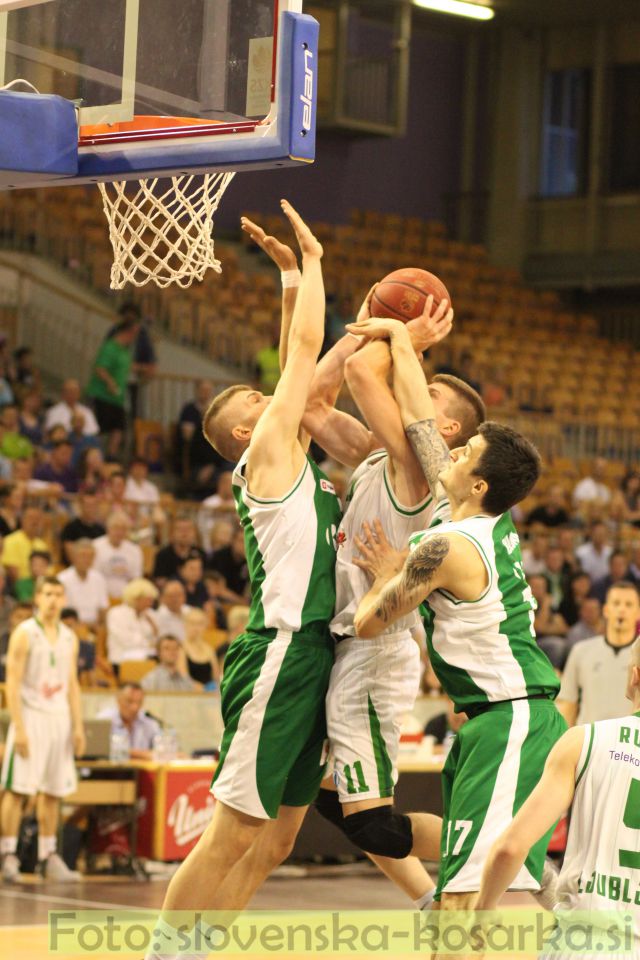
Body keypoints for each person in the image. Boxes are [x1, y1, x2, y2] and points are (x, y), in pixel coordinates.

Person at [143, 202, 343, 960]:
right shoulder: (264, 453)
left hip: (315, 653)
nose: (276, 402)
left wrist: (288, 276)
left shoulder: (286, 456)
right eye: (259, 403)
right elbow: (300, 356)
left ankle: (205, 950)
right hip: (282, 653)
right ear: (242, 432)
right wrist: (315, 262)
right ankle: (167, 952)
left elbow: (294, 357)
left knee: (278, 836)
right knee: (232, 832)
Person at [349, 315, 565, 911]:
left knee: (460, 906)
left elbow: (369, 622)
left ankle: (562, 898)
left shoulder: (446, 547)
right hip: (497, 719)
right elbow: (421, 422)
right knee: (458, 890)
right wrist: (399, 339)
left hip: (510, 719)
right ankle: (546, 877)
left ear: (478, 483)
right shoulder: (473, 518)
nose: (451, 449)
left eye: (465, 449)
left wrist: (389, 572)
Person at [476, 638, 640, 959]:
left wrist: (483, 909)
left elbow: (510, 848)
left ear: (635, 676)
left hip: (581, 944)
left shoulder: (583, 740)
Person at [0, 577, 85, 882]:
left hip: (59, 718)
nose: (53, 600)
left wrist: (78, 727)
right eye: (47, 594)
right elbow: (12, 680)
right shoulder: (24, 634)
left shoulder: (69, 637)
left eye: (58, 594)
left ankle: (48, 856)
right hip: (31, 716)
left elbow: (73, 684)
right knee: (18, 789)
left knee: (53, 790)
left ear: (64, 600)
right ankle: (7, 854)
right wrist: (18, 727)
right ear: (37, 598)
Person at [557, 581, 640, 726]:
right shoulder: (580, 651)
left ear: (638, 612)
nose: (621, 609)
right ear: (606, 610)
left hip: (628, 744)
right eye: (616, 603)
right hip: (589, 742)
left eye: (628, 604)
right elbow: (568, 704)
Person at [86, 320, 137, 458]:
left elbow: (127, 369)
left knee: (118, 430)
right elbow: (100, 368)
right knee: (99, 429)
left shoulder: (125, 352)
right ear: (126, 332)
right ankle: (94, 456)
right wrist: (110, 383)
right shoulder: (110, 347)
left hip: (117, 399)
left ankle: (111, 457)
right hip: (102, 395)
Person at [177, 379, 232, 494]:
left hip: (217, 463)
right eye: (203, 390)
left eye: (208, 390)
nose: (206, 393)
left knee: (236, 467)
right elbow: (189, 441)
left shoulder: (218, 424)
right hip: (198, 463)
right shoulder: (190, 412)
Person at [98, 682, 162, 760]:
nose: (134, 708)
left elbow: (163, 749)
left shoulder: (149, 721)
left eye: (139, 702)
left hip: (141, 770)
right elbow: (103, 751)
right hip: (110, 770)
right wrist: (142, 754)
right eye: (129, 701)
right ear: (118, 700)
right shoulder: (104, 720)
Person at [105, 578, 158, 668]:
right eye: (147, 600)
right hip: (122, 660)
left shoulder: (149, 615)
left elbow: (155, 640)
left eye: (151, 600)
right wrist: (147, 643)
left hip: (146, 658)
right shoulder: (116, 613)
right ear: (135, 598)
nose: (150, 604)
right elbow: (126, 640)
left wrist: (154, 629)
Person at [92, 510, 143, 599]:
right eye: (116, 528)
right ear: (108, 528)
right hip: (101, 594)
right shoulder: (96, 546)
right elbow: (93, 576)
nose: (119, 532)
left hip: (127, 597)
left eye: (123, 529)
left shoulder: (135, 550)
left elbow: (136, 579)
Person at [58, 539, 109, 628]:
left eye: (90, 556)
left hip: (94, 627)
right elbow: (62, 611)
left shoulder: (99, 578)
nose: (87, 560)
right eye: (83, 556)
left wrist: (100, 626)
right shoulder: (62, 579)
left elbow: (103, 608)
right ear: (74, 557)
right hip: (71, 626)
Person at [152, 515, 205, 587]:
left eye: (188, 529)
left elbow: (206, 580)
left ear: (195, 532)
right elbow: (159, 581)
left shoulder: (201, 554)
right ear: (171, 533)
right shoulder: (163, 555)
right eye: (180, 529)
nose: (184, 533)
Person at [1, 505, 48, 583]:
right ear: (22, 520)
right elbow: (13, 574)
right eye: (31, 518)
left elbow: (47, 571)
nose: (35, 522)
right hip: (18, 587)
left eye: (38, 519)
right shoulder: (10, 540)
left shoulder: (42, 545)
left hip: (40, 584)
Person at [178, 607, 220, 687]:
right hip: (188, 694)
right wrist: (199, 688)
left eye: (200, 624)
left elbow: (216, 677)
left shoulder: (209, 649)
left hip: (210, 695)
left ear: (205, 626)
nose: (196, 627)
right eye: (192, 623)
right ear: (185, 625)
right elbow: (183, 677)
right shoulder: (181, 647)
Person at [60, 490, 106, 563]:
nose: (90, 509)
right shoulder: (71, 528)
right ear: (81, 506)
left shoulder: (101, 530)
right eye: (87, 505)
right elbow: (71, 556)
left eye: (93, 505)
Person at [206, 526, 249, 602]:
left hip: (239, 603)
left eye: (247, 541)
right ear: (232, 541)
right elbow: (219, 590)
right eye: (241, 541)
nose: (244, 545)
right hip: (218, 602)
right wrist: (241, 601)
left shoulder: (248, 561)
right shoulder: (219, 556)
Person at [572, 456, 612, 520]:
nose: (601, 471)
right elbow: (579, 506)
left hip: (601, 521)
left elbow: (607, 509)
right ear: (593, 468)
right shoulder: (583, 485)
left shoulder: (606, 490)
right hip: (585, 519)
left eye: (603, 468)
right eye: (599, 468)